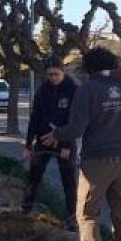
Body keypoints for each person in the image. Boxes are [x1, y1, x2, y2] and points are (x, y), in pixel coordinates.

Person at [41, 46, 121, 241]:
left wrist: (57, 134)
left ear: (90, 69)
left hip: (96, 161)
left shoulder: (88, 90)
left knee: (87, 213)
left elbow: (76, 129)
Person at [23, 58, 78, 222]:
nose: (53, 78)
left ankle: (71, 219)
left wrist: (67, 143)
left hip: (65, 143)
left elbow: (76, 120)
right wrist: (28, 144)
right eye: (49, 75)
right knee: (33, 178)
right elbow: (34, 118)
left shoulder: (73, 90)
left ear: (63, 72)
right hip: (43, 140)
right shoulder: (42, 91)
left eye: (56, 74)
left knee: (68, 182)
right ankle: (25, 211)